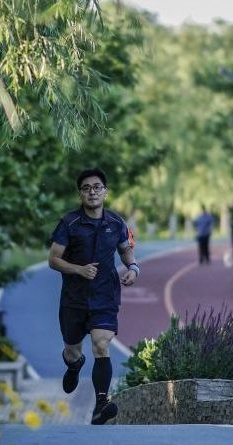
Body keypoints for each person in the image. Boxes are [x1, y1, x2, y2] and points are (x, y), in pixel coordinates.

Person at [48, 168, 139, 425]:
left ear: (105, 192)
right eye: (86, 188)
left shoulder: (116, 223)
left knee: (101, 344)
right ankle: (74, 365)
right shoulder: (69, 223)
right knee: (72, 350)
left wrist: (133, 268)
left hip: (105, 295)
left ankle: (101, 405)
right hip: (74, 299)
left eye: (97, 187)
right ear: (80, 194)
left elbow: (125, 250)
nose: (92, 192)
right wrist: (78, 269)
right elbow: (53, 259)